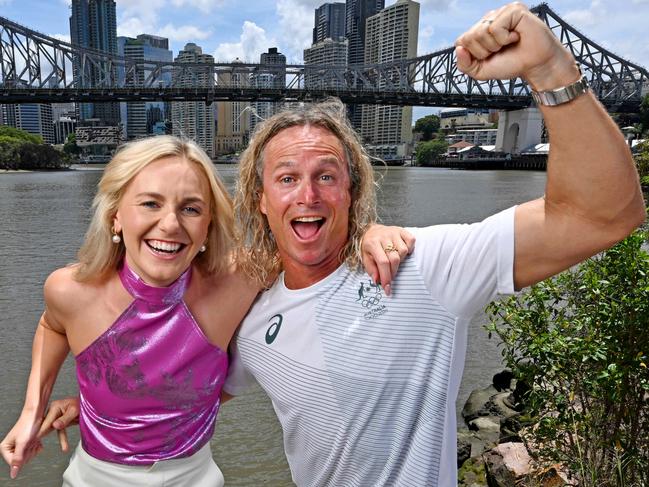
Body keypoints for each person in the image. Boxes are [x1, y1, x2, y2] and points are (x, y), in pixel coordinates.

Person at [36, 2, 647, 486]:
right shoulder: (247, 315)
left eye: (327, 176)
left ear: (353, 192)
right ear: (259, 200)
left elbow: (600, 216)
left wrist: (550, 71)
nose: (308, 195)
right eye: (287, 179)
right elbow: (177, 390)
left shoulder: (427, 265)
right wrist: (88, 408)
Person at [0, 135, 411, 485]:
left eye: (190, 208)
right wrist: (32, 412)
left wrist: (371, 233)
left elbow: (318, 247)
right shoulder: (71, 289)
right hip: (94, 475)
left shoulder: (240, 278)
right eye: (150, 204)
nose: (170, 224)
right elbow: (52, 327)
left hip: (194, 476)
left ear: (207, 227)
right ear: (115, 216)